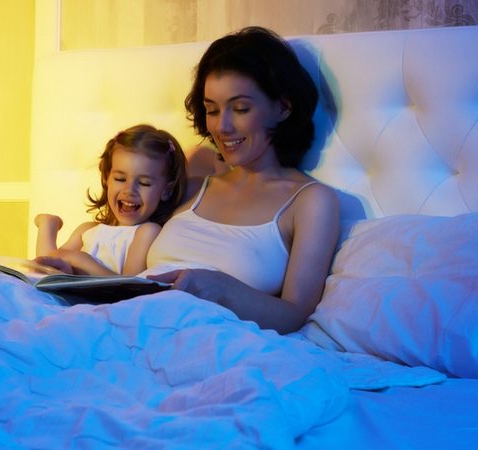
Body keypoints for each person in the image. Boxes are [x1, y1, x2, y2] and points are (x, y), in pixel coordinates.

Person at [145, 27, 340, 335]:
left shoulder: (310, 201)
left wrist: (221, 287)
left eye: (240, 109)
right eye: (211, 110)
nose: (221, 127)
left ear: (282, 107)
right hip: (134, 323)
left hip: (208, 341)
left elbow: (295, 314)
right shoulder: (194, 183)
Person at [34, 124, 187, 276]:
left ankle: (48, 224)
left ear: (166, 190)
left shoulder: (146, 232)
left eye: (144, 183)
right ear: (107, 178)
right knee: (44, 269)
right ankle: (48, 224)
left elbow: (129, 285)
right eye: (120, 179)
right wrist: (68, 267)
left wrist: (83, 262)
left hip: (107, 299)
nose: (129, 190)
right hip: (74, 295)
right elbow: (49, 263)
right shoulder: (87, 230)